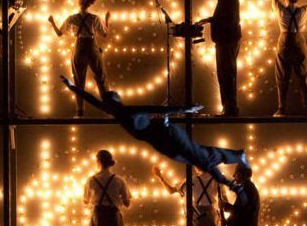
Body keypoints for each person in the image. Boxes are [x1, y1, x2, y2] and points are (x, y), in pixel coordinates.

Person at [60, 76, 248, 189]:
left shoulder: (125, 112)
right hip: (161, 139)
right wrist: (71, 86)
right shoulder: (118, 112)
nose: (105, 106)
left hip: (165, 135)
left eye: (107, 103)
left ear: (113, 103)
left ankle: (236, 156)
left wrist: (186, 109)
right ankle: (233, 156)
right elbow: (92, 100)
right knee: (196, 156)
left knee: (198, 156)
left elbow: (157, 108)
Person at [258, 0, 307, 117]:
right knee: (304, 77)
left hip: (284, 41)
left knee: (282, 77)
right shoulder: (303, 11)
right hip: (299, 41)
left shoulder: (280, 9)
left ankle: (281, 109)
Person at [49, 0, 110, 117]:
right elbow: (104, 34)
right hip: (92, 46)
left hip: (79, 47)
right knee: (101, 78)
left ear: (79, 3)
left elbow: (59, 33)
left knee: (78, 80)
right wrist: (107, 19)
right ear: (90, 4)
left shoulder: (72, 18)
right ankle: (108, 109)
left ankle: (80, 111)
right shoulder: (94, 18)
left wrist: (52, 22)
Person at [196, 0, 241, 116]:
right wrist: (210, 19)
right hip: (228, 40)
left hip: (226, 40)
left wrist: (211, 20)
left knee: (225, 74)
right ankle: (229, 107)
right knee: (226, 74)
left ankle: (229, 108)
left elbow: (225, 19)